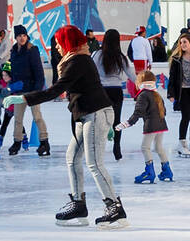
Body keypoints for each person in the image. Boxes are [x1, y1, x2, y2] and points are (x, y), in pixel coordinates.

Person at [28, 24, 127, 229]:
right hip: (87, 114)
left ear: (68, 42)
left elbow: (57, 89)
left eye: (58, 43)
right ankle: (78, 205)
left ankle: (115, 208)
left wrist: (24, 99)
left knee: (94, 163)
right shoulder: (74, 60)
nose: (56, 47)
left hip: (95, 114)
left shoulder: (79, 61)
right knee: (72, 158)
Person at [4, 26, 50, 156]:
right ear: (16, 37)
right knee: (18, 118)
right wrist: (10, 80)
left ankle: (44, 141)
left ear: (27, 36)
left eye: (24, 35)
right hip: (19, 91)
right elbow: (12, 68)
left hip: (32, 91)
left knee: (37, 117)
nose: (22, 38)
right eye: (19, 36)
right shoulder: (14, 51)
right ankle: (17, 141)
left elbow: (39, 72)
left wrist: (38, 90)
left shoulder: (32, 50)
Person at [128, 69, 173, 183]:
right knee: (158, 147)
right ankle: (167, 171)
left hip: (151, 126)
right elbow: (164, 111)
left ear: (139, 82)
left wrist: (128, 122)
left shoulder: (143, 95)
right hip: (161, 125)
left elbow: (138, 112)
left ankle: (149, 172)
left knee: (145, 147)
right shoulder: (156, 94)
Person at [97, 28, 135, 161]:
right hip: (116, 91)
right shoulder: (121, 57)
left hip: (101, 92)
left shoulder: (97, 55)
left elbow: (91, 71)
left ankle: (99, 149)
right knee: (116, 120)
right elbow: (132, 75)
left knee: (100, 121)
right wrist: (143, 86)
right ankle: (117, 147)